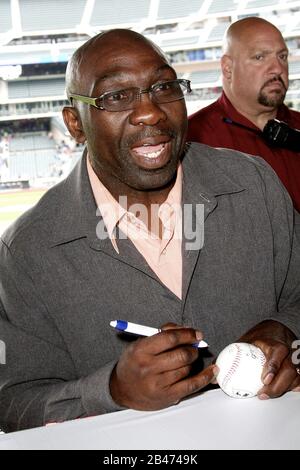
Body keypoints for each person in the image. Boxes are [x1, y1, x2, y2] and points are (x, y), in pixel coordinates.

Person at [0, 29, 300, 433]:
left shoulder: (255, 185)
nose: (151, 112)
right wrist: (111, 390)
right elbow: (14, 404)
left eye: (164, 86)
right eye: (115, 97)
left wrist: (284, 330)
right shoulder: (27, 251)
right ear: (75, 124)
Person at [188, 17, 300, 213]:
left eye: (282, 56)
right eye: (260, 57)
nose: (277, 69)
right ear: (227, 68)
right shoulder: (192, 139)